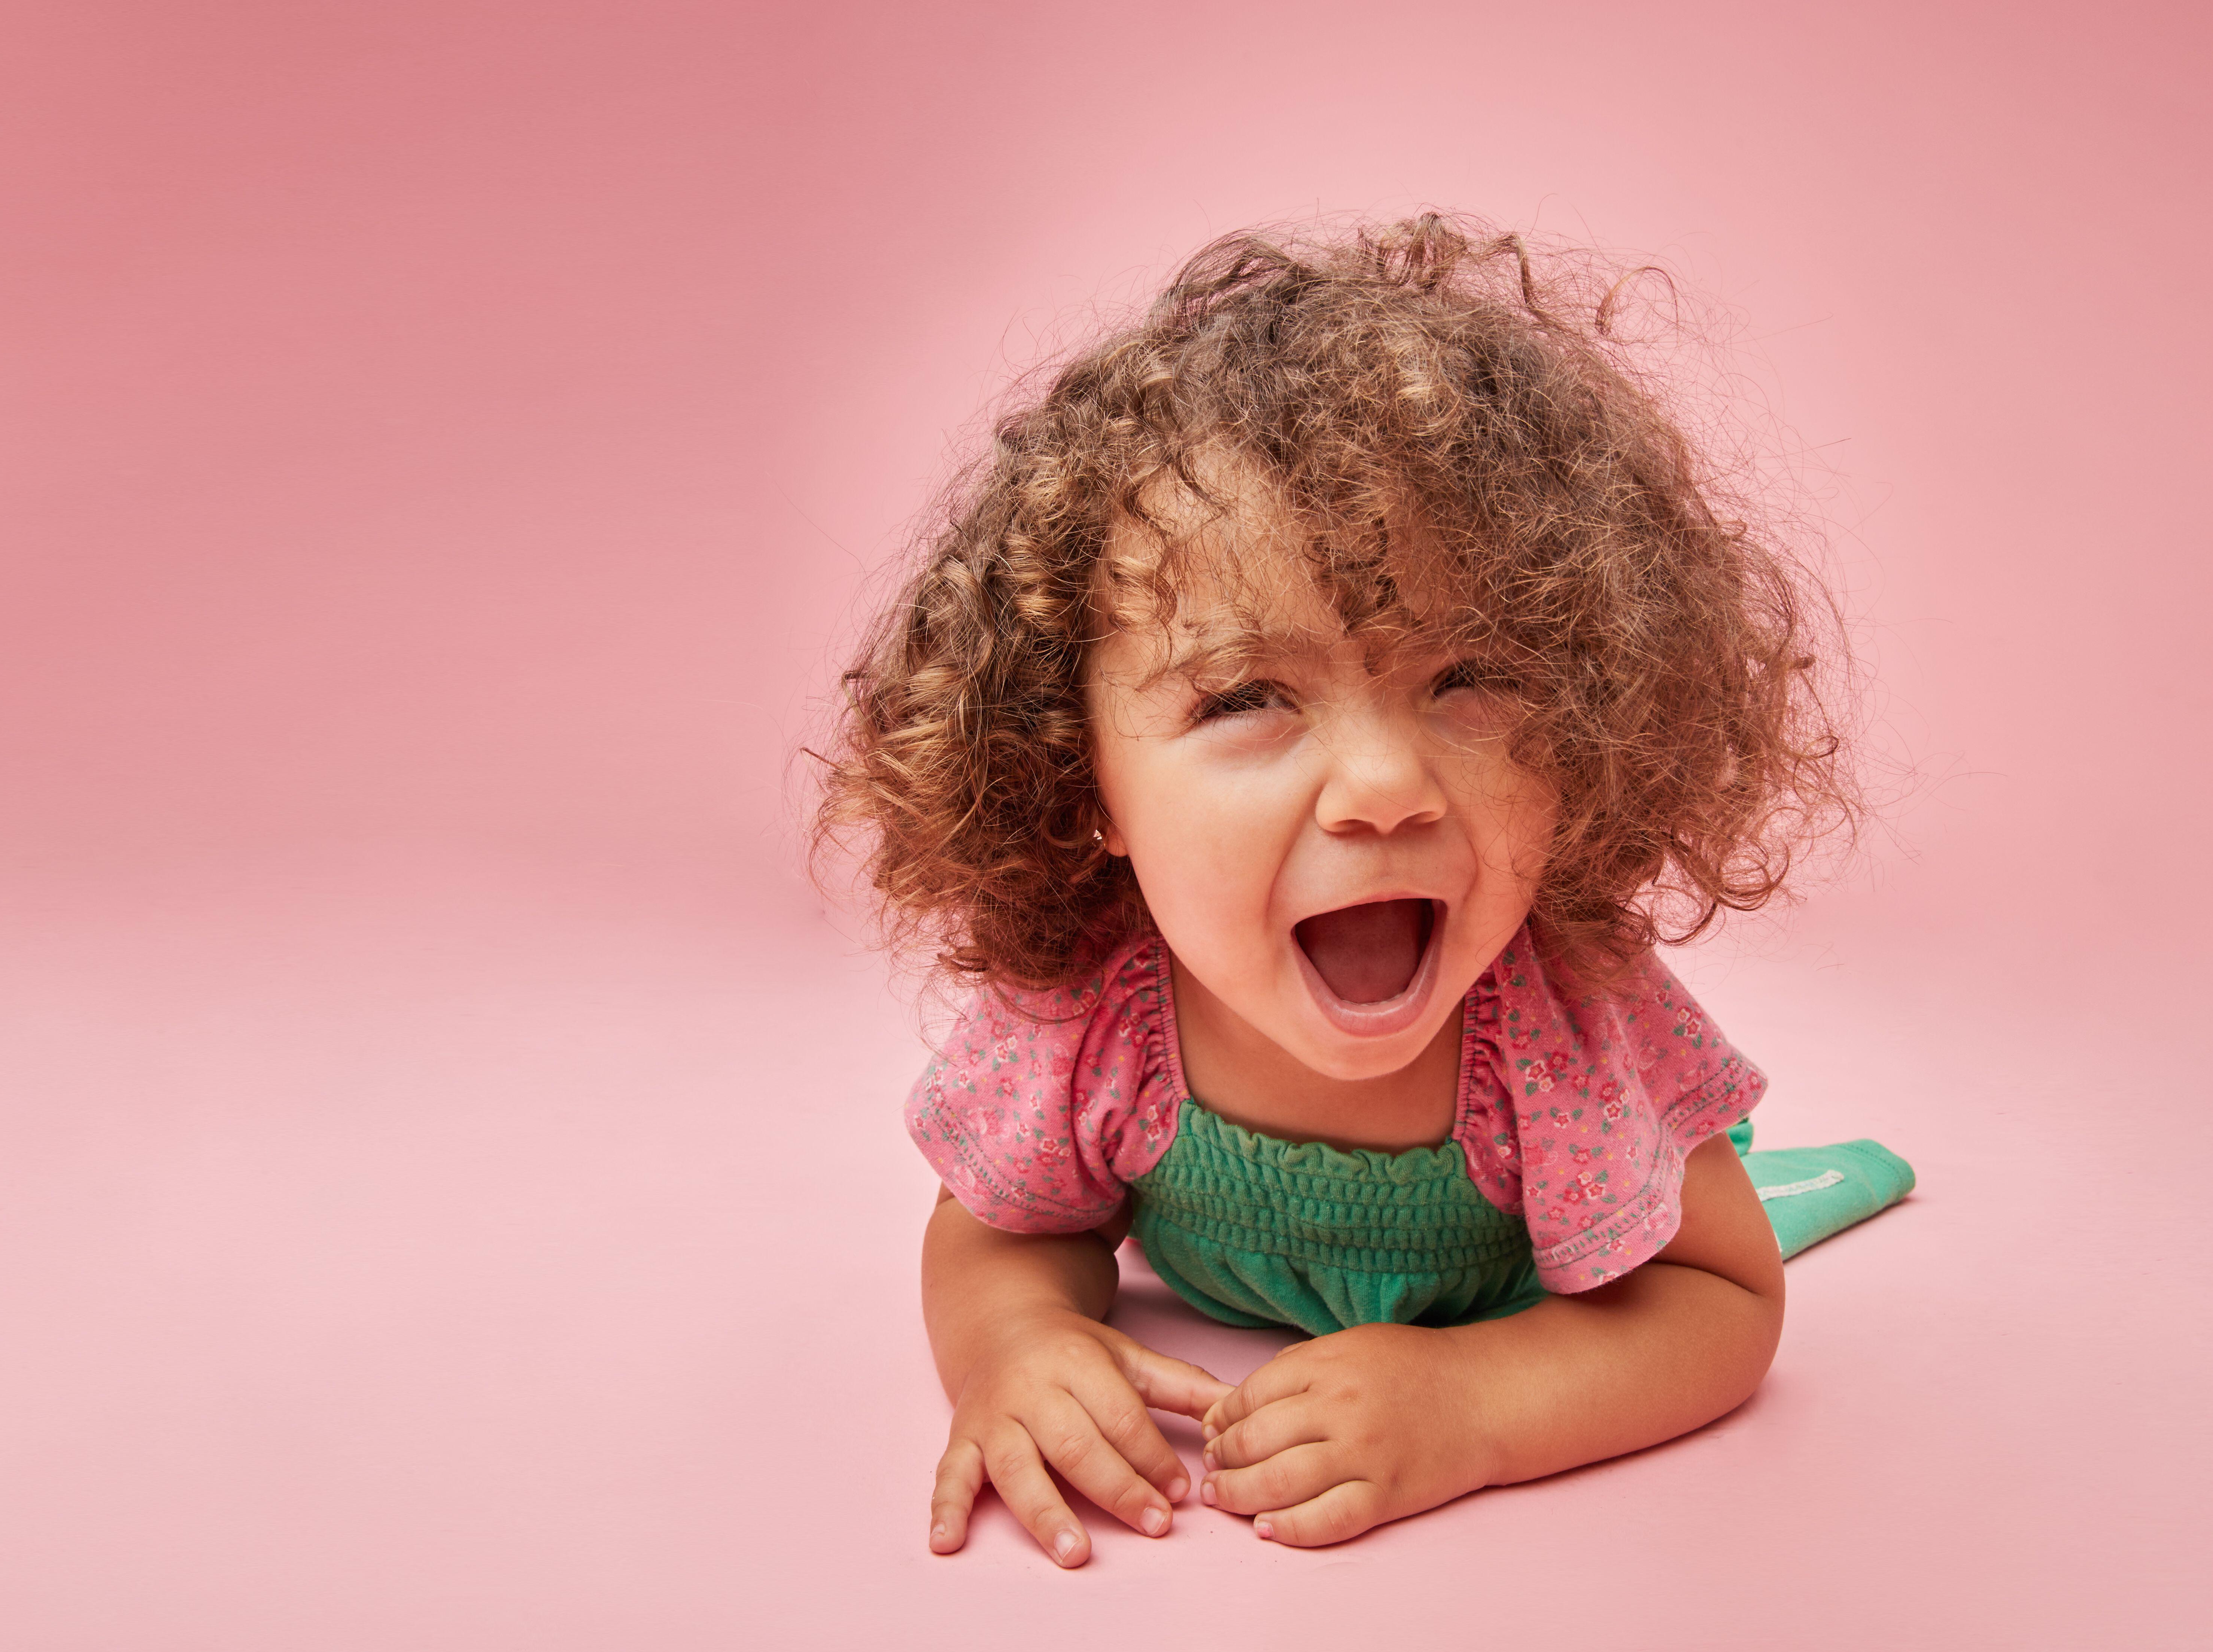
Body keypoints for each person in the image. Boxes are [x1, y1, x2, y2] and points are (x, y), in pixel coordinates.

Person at [815, 217, 1913, 1565]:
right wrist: (1017, 1344)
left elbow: (1716, 1295)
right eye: (1246, 697)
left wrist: (1472, 1406)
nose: (1382, 785)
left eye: (1469, 678)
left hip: (1568, 1253)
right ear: (1077, 770)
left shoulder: (1567, 1030)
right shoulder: (1094, 1011)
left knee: (1752, 1197)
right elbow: (1002, 1230)